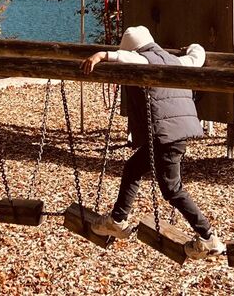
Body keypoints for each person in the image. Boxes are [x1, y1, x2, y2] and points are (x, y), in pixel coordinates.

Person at [80, 25, 225, 259]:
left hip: (164, 135)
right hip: (175, 133)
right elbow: (198, 54)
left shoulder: (141, 60)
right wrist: (188, 47)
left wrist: (101, 55)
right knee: (133, 169)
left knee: (172, 189)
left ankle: (208, 237)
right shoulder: (177, 61)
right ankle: (117, 219)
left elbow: (124, 57)